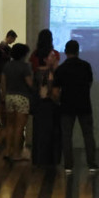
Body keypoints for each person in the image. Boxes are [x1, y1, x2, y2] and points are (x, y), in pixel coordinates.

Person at [52, 39, 97, 175]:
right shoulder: (86, 66)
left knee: (66, 136)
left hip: (66, 105)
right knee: (88, 135)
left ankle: (68, 166)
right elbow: (89, 84)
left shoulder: (61, 69)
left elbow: (55, 91)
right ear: (78, 51)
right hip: (84, 104)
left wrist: (59, 100)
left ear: (65, 52)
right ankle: (92, 164)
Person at [30, 30, 61, 166]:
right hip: (50, 99)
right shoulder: (55, 54)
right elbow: (56, 72)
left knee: (38, 130)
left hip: (37, 98)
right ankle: (49, 159)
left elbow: (33, 73)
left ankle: (37, 158)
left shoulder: (34, 55)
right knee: (51, 130)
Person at [1, 43, 33, 162]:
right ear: (23, 54)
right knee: (19, 127)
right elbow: (29, 83)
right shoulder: (25, 66)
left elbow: (3, 82)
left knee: (10, 125)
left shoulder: (7, 65)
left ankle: (7, 151)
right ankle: (16, 153)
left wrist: (4, 96)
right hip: (22, 98)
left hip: (9, 96)